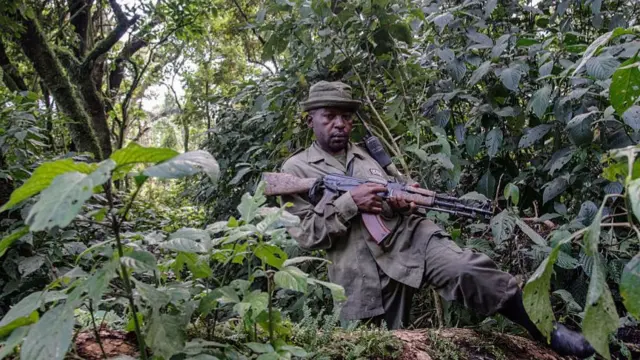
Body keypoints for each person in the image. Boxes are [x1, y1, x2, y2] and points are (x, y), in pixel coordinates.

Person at [279, 81, 596, 358]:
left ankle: (548, 331)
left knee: (470, 270)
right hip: (361, 273)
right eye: (329, 116)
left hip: (410, 240)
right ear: (311, 120)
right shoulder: (296, 171)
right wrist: (350, 202)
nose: (340, 124)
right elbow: (306, 235)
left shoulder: (370, 154)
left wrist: (407, 201)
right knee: (378, 349)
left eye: (346, 117)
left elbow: (400, 192)